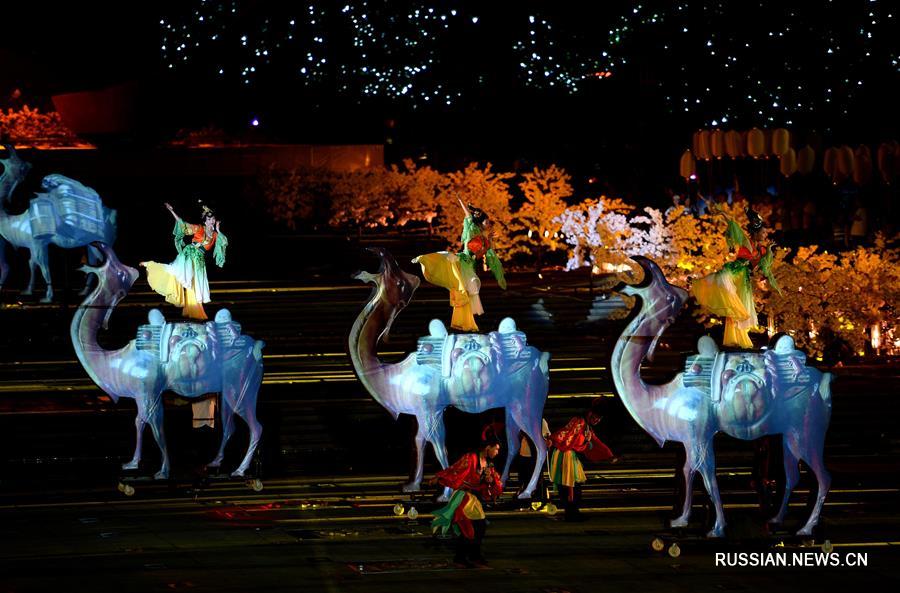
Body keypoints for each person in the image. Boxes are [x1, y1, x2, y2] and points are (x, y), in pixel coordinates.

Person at [690, 205, 780, 349]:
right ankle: (698, 283)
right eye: (763, 232)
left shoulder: (762, 249)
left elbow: (762, 268)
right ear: (756, 232)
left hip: (743, 279)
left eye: (765, 233)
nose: (765, 235)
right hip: (734, 272)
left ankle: (738, 338)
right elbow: (733, 225)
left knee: (739, 308)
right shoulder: (746, 242)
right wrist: (723, 213)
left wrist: (769, 251)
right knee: (731, 301)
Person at [413, 198, 506, 332]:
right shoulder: (472, 229)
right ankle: (423, 259)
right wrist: (460, 200)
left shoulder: (483, 238)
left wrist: (489, 240)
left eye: (488, 222)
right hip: (462, 262)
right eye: (486, 221)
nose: (489, 224)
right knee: (464, 285)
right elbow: (468, 216)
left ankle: (465, 322)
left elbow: (480, 255)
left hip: (470, 265)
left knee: (467, 293)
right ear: (480, 222)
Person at [141, 202, 228, 320]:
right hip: (189, 255)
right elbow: (183, 225)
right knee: (176, 272)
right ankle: (150, 265)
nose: (211, 221)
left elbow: (223, 242)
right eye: (209, 219)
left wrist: (218, 229)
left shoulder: (215, 235)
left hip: (199, 261)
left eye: (213, 218)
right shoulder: (199, 228)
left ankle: (193, 311)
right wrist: (172, 211)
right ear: (205, 221)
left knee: (195, 286)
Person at [431, 431, 503, 568]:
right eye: (497, 449)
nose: (497, 452)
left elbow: (490, 485)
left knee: (477, 528)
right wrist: (439, 477)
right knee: (473, 527)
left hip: (473, 499)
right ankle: (466, 557)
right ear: (488, 447)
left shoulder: (487, 464)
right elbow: (455, 470)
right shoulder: (471, 458)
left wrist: (490, 481)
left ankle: (469, 556)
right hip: (463, 498)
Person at [547, 401, 615, 521]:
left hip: (570, 456)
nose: (596, 421)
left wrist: (609, 455)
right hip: (565, 456)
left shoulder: (587, 427)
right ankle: (571, 513)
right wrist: (552, 440)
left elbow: (596, 442)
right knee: (570, 487)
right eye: (595, 418)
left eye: (599, 419)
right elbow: (565, 434)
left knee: (574, 487)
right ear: (589, 414)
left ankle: (573, 512)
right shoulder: (579, 422)